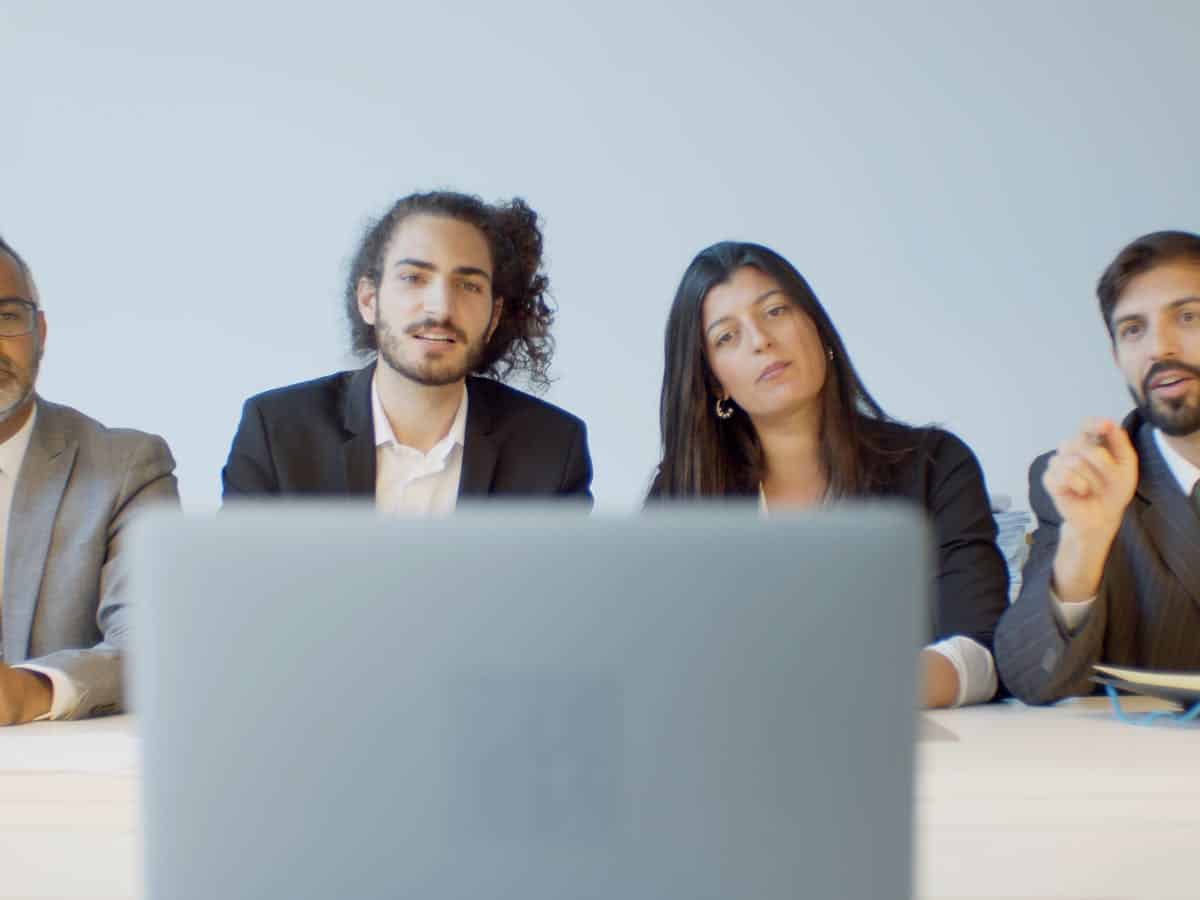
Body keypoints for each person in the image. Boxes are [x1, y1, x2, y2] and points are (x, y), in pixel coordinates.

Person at [649, 241, 1008, 708]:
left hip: (904, 749)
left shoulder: (935, 466)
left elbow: (981, 653)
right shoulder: (681, 496)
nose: (761, 340)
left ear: (816, 326)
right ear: (715, 380)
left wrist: (851, 690)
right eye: (726, 337)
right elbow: (659, 664)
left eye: (775, 311)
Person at [222, 191, 592, 510]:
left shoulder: (553, 449)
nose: (441, 308)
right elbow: (241, 585)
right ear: (369, 300)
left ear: (494, 316)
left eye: (468, 286)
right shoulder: (276, 432)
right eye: (413, 278)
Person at [996, 231, 1200, 704]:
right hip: (1151, 770)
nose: (1159, 348)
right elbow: (1033, 677)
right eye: (1133, 329)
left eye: (1188, 316)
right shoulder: (1086, 480)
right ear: (1116, 357)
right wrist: (1085, 540)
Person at [0, 235, 178, 724]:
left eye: (6, 317)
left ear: (41, 332)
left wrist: (30, 691)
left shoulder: (127, 467)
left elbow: (151, 643)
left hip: (59, 788)